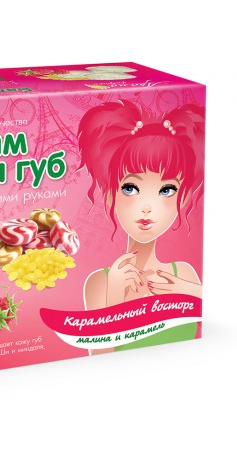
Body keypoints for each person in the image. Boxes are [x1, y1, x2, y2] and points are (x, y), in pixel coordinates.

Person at [77, 100, 205, 351]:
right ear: (111, 195)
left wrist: (193, 293)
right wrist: (115, 296)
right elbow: (100, 359)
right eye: (130, 188)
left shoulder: (185, 274)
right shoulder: (100, 283)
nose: (147, 207)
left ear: (183, 198)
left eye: (166, 190)